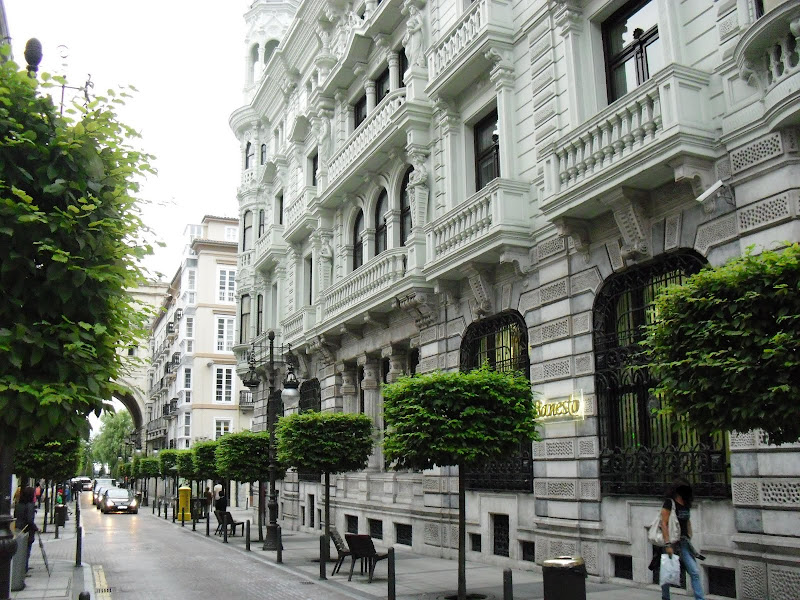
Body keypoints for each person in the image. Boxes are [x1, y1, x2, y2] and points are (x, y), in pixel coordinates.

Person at [659, 481, 705, 600]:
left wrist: (689, 533)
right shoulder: (669, 503)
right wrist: (667, 543)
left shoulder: (685, 503)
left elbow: (687, 520)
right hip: (672, 542)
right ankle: (665, 597)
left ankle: (700, 598)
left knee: (694, 571)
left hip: (684, 542)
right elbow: (663, 523)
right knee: (668, 571)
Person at [14, 486, 38, 572]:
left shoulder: (18, 505)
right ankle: (24, 568)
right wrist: (35, 528)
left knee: (20, 549)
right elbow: (29, 520)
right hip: (27, 530)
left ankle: (21, 567)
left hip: (19, 529)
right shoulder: (30, 505)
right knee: (27, 550)